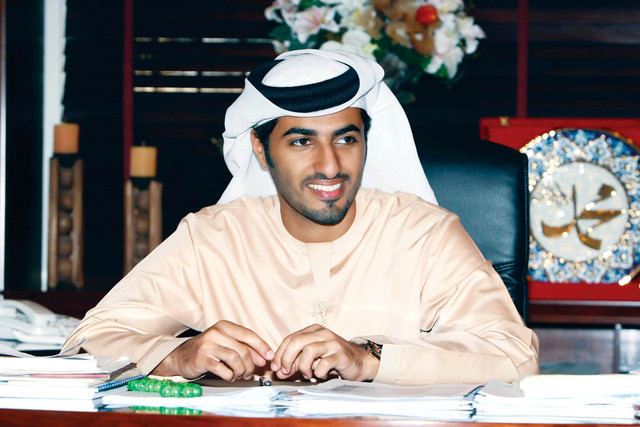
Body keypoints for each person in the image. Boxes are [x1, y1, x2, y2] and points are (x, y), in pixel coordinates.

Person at [63, 49, 539, 385]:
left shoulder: (425, 234)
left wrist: (369, 359)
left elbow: (515, 358)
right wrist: (178, 355)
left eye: (346, 139)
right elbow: (88, 343)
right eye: (301, 141)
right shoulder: (214, 237)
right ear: (260, 148)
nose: (330, 165)